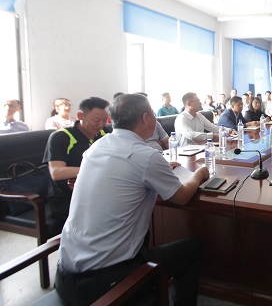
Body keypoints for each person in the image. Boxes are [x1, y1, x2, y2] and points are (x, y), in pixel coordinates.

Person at [54, 94, 207, 306]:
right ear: (146, 118)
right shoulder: (146, 156)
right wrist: (199, 174)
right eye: (153, 113)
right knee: (192, 249)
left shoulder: (96, 147)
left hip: (65, 275)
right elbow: (181, 197)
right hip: (107, 280)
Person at [43, 97, 111, 228]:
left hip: (98, 191)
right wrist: (98, 169)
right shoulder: (61, 137)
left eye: (104, 120)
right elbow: (56, 172)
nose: (101, 125)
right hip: (68, 198)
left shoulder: (105, 133)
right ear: (80, 116)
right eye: (96, 120)